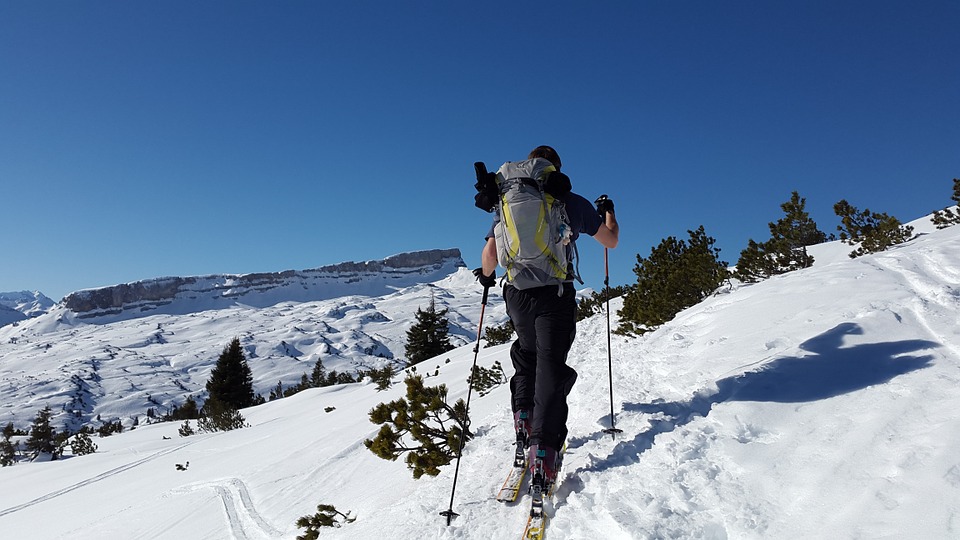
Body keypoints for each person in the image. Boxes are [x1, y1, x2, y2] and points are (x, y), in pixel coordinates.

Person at [474, 145, 619, 489]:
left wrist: (485, 275)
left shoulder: (508, 202)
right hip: (554, 295)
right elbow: (610, 241)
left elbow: (492, 252)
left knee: (526, 357)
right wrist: (608, 212)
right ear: (555, 168)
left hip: (517, 295)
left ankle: (524, 418)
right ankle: (545, 452)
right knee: (551, 367)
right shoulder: (569, 200)